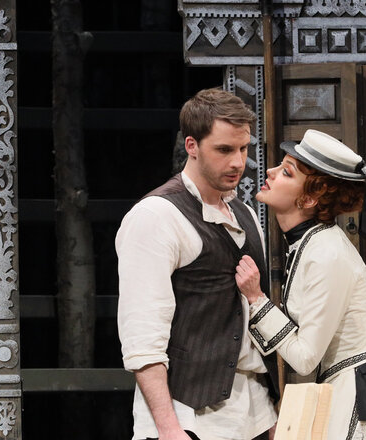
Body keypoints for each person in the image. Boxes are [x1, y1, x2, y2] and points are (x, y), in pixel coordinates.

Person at [235, 129, 366, 440]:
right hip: (342, 384)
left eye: (287, 172)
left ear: (309, 198)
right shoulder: (311, 243)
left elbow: (305, 357)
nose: (270, 171)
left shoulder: (326, 253)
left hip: (361, 394)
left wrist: (257, 300)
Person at [116, 88, 279, 440]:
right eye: (224, 150)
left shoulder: (246, 215)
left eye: (243, 149)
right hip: (188, 416)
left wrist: (272, 414)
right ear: (192, 145)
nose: (238, 162)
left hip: (254, 413)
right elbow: (143, 336)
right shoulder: (156, 216)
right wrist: (169, 428)